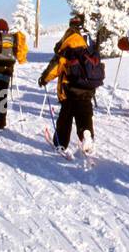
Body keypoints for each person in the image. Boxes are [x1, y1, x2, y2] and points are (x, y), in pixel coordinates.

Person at [39, 15, 102, 153]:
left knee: (65, 117)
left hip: (70, 87)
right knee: (85, 114)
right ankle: (87, 135)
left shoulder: (69, 39)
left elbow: (57, 64)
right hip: (88, 86)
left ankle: (60, 144)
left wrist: (44, 78)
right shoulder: (89, 39)